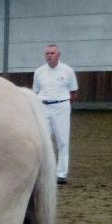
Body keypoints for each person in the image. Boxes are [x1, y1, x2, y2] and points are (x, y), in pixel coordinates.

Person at [32, 44, 78, 184]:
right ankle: (43, 172)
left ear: (58, 55)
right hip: (43, 106)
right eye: (47, 53)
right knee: (43, 140)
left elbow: (74, 92)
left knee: (62, 141)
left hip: (61, 106)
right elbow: (35, 91)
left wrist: (63, 105)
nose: (49, 56)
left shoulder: (68, 71)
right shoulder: (39, 72)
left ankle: (61, 174)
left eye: (52, 53)